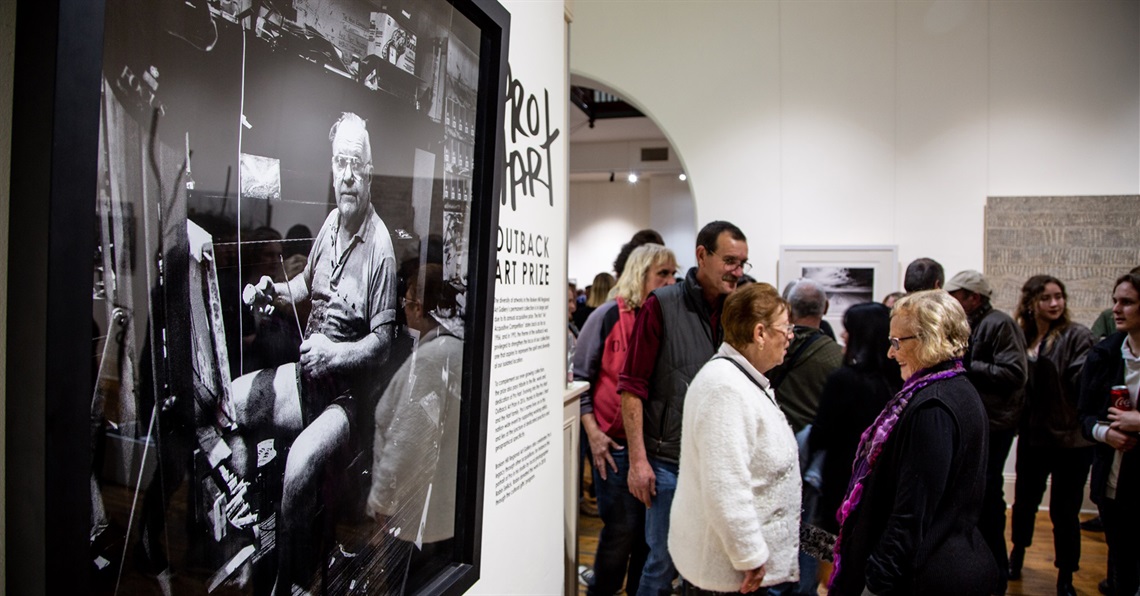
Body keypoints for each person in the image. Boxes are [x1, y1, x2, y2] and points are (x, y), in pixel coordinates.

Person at [237, 111, 397, 593]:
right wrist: (274, 291)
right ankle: (256, 542)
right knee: (234, 402)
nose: (347, 175)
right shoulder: (330, 224)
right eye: (340, 162)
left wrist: (334, 354)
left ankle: (291, 581)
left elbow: (383, 343)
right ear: (333, 167)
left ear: (369, 171)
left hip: (345, 401)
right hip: (309, 379)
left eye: (356, 164)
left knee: (299, 466)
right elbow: (308, 283)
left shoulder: (381, 249)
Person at [829, 290, 998, 595]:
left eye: (896, 342)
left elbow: (910, 513)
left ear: (928, 338)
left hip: (926, 574)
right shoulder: (957, 387)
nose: (891, 353)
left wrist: (875, 583)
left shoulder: (933, 407)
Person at [619, 220, 749, 596]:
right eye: (729, 260)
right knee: (661, 562)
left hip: (719, 463)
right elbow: (632, 387)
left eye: (742, 262)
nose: (737, 271)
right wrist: (638, 462)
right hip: (667, 462)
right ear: (702, 256)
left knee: (708, 566)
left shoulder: (738, 309)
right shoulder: (662, 305)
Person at [668, 282, 800, 595]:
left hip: (736, 572)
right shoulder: (725, 389)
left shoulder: (738, 380)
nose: (791, 335)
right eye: (786, 327)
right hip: (732, 577)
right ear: (760, 333)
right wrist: (749, 555)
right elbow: (724, 486)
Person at [575, 244, 678, 596]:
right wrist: (593, 433)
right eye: (662, 273)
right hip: (613, 445)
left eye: (673, 274)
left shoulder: (668, 320)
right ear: (640, 274)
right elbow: (580, 380)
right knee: (621, 531)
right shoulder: (606, 316)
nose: (670, 280)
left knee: (649, 540)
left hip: (655, 449)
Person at [367, 263, 462, 593]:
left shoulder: (431, 360)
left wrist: (382, 505)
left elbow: (408, 444)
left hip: (417, 516)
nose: (405, 312)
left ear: (419, 307)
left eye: (407, 304)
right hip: (442, 512)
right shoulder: (455, 350)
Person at [1006, 275, 1094, 596]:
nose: (1055, 303)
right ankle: (1016, 554)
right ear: (1031, 302)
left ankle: (1066, 575)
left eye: (1059, 297)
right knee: (1025, 503)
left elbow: (1081, 383)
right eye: (1046, 298)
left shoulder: (1076, 335)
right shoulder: (1022, 335)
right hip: (1033, 436)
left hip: (1071, 440)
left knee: (1064, 510)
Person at [944, 269, 1027, 593]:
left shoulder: (999, 324)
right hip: (982, 421)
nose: (951, 301)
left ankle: (996, 568)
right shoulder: (977, 323)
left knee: (990, 496)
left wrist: (965, 364)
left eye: (956, 296)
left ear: (973, 297)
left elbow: (1015, 372)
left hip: (996, 424)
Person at [809, 303, 900, 536]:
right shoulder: (899, 382)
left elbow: (821, 434)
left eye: (848, 329)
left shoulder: (844, 380)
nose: (843, 335)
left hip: (842, 482)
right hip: (885, 484)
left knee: (832, 548)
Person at [1079, 271, 1140, 596]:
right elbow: (1084, 416)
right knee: (1121, 561)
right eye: (1115, 300)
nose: (1116, 309)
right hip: (1113, 481)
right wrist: (1107, 434)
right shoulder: (1104, 354)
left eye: (1127, 302)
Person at [768, 278, 844, 434]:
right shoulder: (839, 356)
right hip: (813, 446)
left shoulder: (768, 347)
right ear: (826, 307)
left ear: (788, 308)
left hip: (774, 435)